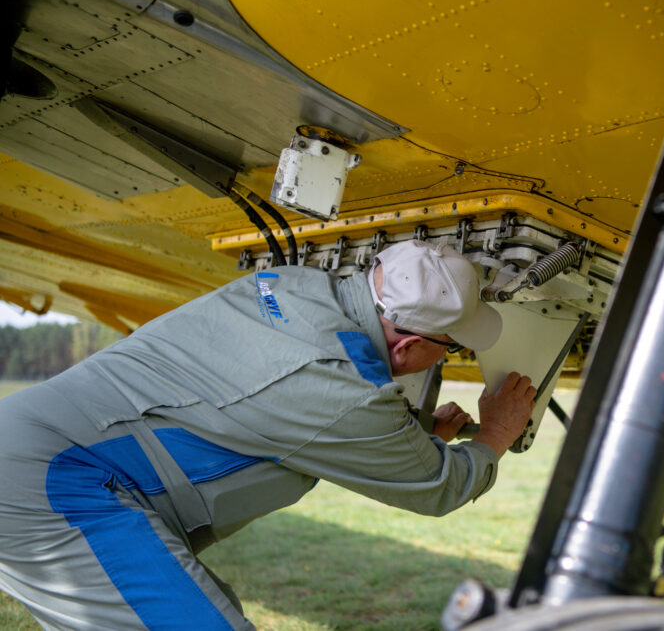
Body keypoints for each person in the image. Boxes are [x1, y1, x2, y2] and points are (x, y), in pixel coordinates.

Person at [0, 239, 536, 630]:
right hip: (56, 485)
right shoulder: (347, 391)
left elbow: (263, 406)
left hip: (33, 444)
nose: (449, 355)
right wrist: (495, 434)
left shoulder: (293, 284)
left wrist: (413, 431)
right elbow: (441, 485)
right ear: (409, 349)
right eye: (451, 345)